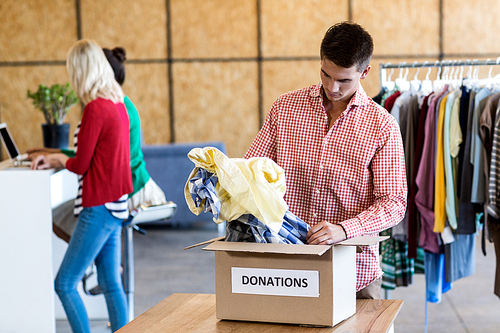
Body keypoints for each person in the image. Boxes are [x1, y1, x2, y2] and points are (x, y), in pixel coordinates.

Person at [244, 21, 407, 299]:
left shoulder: (382, 126)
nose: (332, 87)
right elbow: (252, 170)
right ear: (321, 62)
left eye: (344, 80)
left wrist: (345, 229)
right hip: (285, 267)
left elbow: (393, 203)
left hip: (353, 271)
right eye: (326, 74)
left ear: (365, 72)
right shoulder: (285, 108)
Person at [31, 39, 132, 332]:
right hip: (116, 206)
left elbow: (81, 164)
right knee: (111, 283)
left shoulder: (95, 110)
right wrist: (58, 159)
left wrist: (57, 160)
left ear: (80, 71)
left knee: (64, 283)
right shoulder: (118, 105)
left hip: (98, 207)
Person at [28, 46, 167, 243]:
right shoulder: (121, 104)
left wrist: (57, 156)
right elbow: (95, 151)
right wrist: (54, 152)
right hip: (124, 191)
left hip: (124, 192)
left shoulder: (102, 108)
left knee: (58, 219)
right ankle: (96, 257)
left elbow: (88, 159)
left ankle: (90, 255)